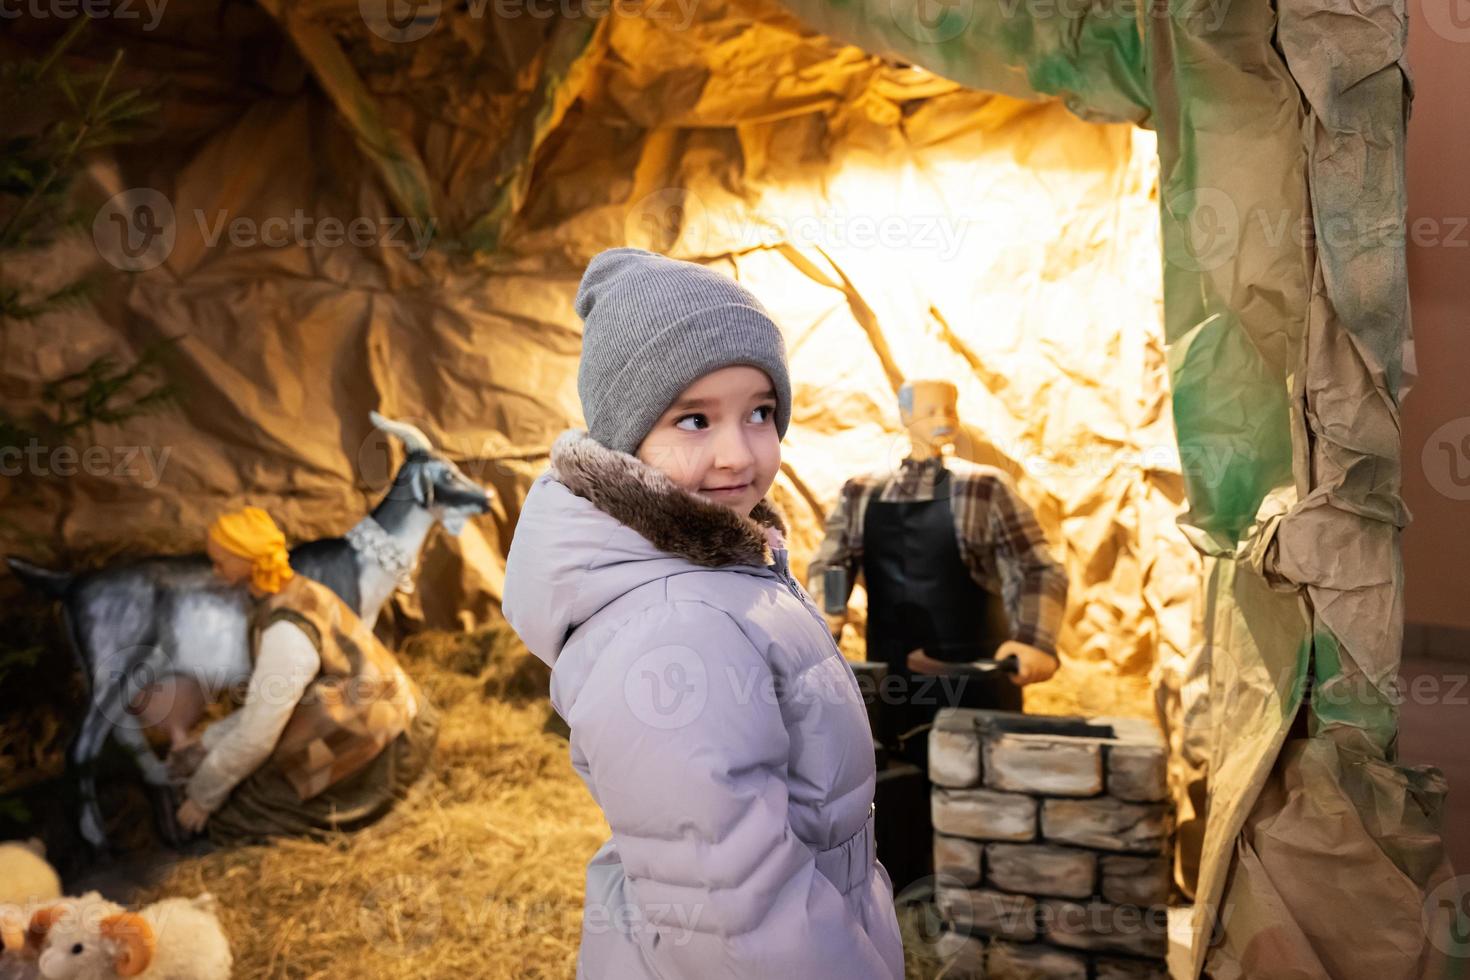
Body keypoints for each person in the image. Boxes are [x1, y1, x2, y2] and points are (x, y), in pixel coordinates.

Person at [502, 247, 905, 979]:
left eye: (760, 412)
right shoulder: (670, 625)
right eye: (694, 419)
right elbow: (738, 913)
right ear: (628, 439)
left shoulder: (725, 569)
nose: (737, 454)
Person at [808, 378, 1069, 769]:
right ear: (904, 416)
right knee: (900, 792)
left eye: (950, 409)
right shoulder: (861, 491)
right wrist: (830, 609)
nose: (943, 418)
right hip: (892, 682)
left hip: (976, 682)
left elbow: (1035, 566)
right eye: (930, 410)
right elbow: (833, 561)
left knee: (975, 794)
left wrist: (1034, 639)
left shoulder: (985, 488)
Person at [168, 506, 438, 847]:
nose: (214, 565)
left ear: (249, 559)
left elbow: (258, 734)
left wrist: (202, 796)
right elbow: (269, 704)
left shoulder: (286, 629)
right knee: (247, 776)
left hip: (387, 739)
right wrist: (208, 742)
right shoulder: (295, 589)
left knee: (237, 816)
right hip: (387, 713)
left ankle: (382, 812)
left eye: (223, 556)